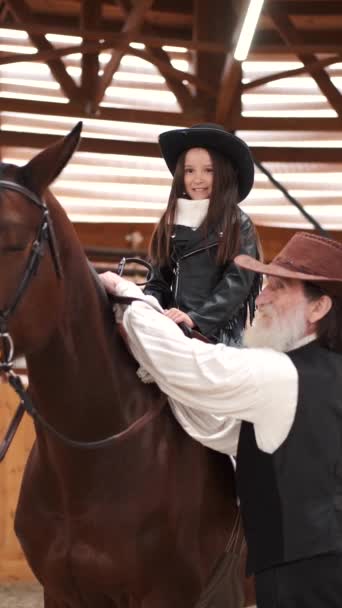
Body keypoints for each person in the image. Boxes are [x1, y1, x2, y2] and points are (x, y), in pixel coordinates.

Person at [100, 231, 342, 607]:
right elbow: (227, 429)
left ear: (318, 308)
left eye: (278, 287)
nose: (260, 298)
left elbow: (189, 367)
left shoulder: (278, 373)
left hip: (302, 577)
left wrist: (127, 297)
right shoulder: (325, 375)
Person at [144, 122, 261, 345]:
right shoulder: (170, 221)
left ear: (225, 173)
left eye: (209, 170)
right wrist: (149, 307)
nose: (197, 179)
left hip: (218, 335)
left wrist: (196, 319)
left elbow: (236, 284)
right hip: (171, 326)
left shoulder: (239, 223)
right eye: (189, 171)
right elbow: (158, 280)